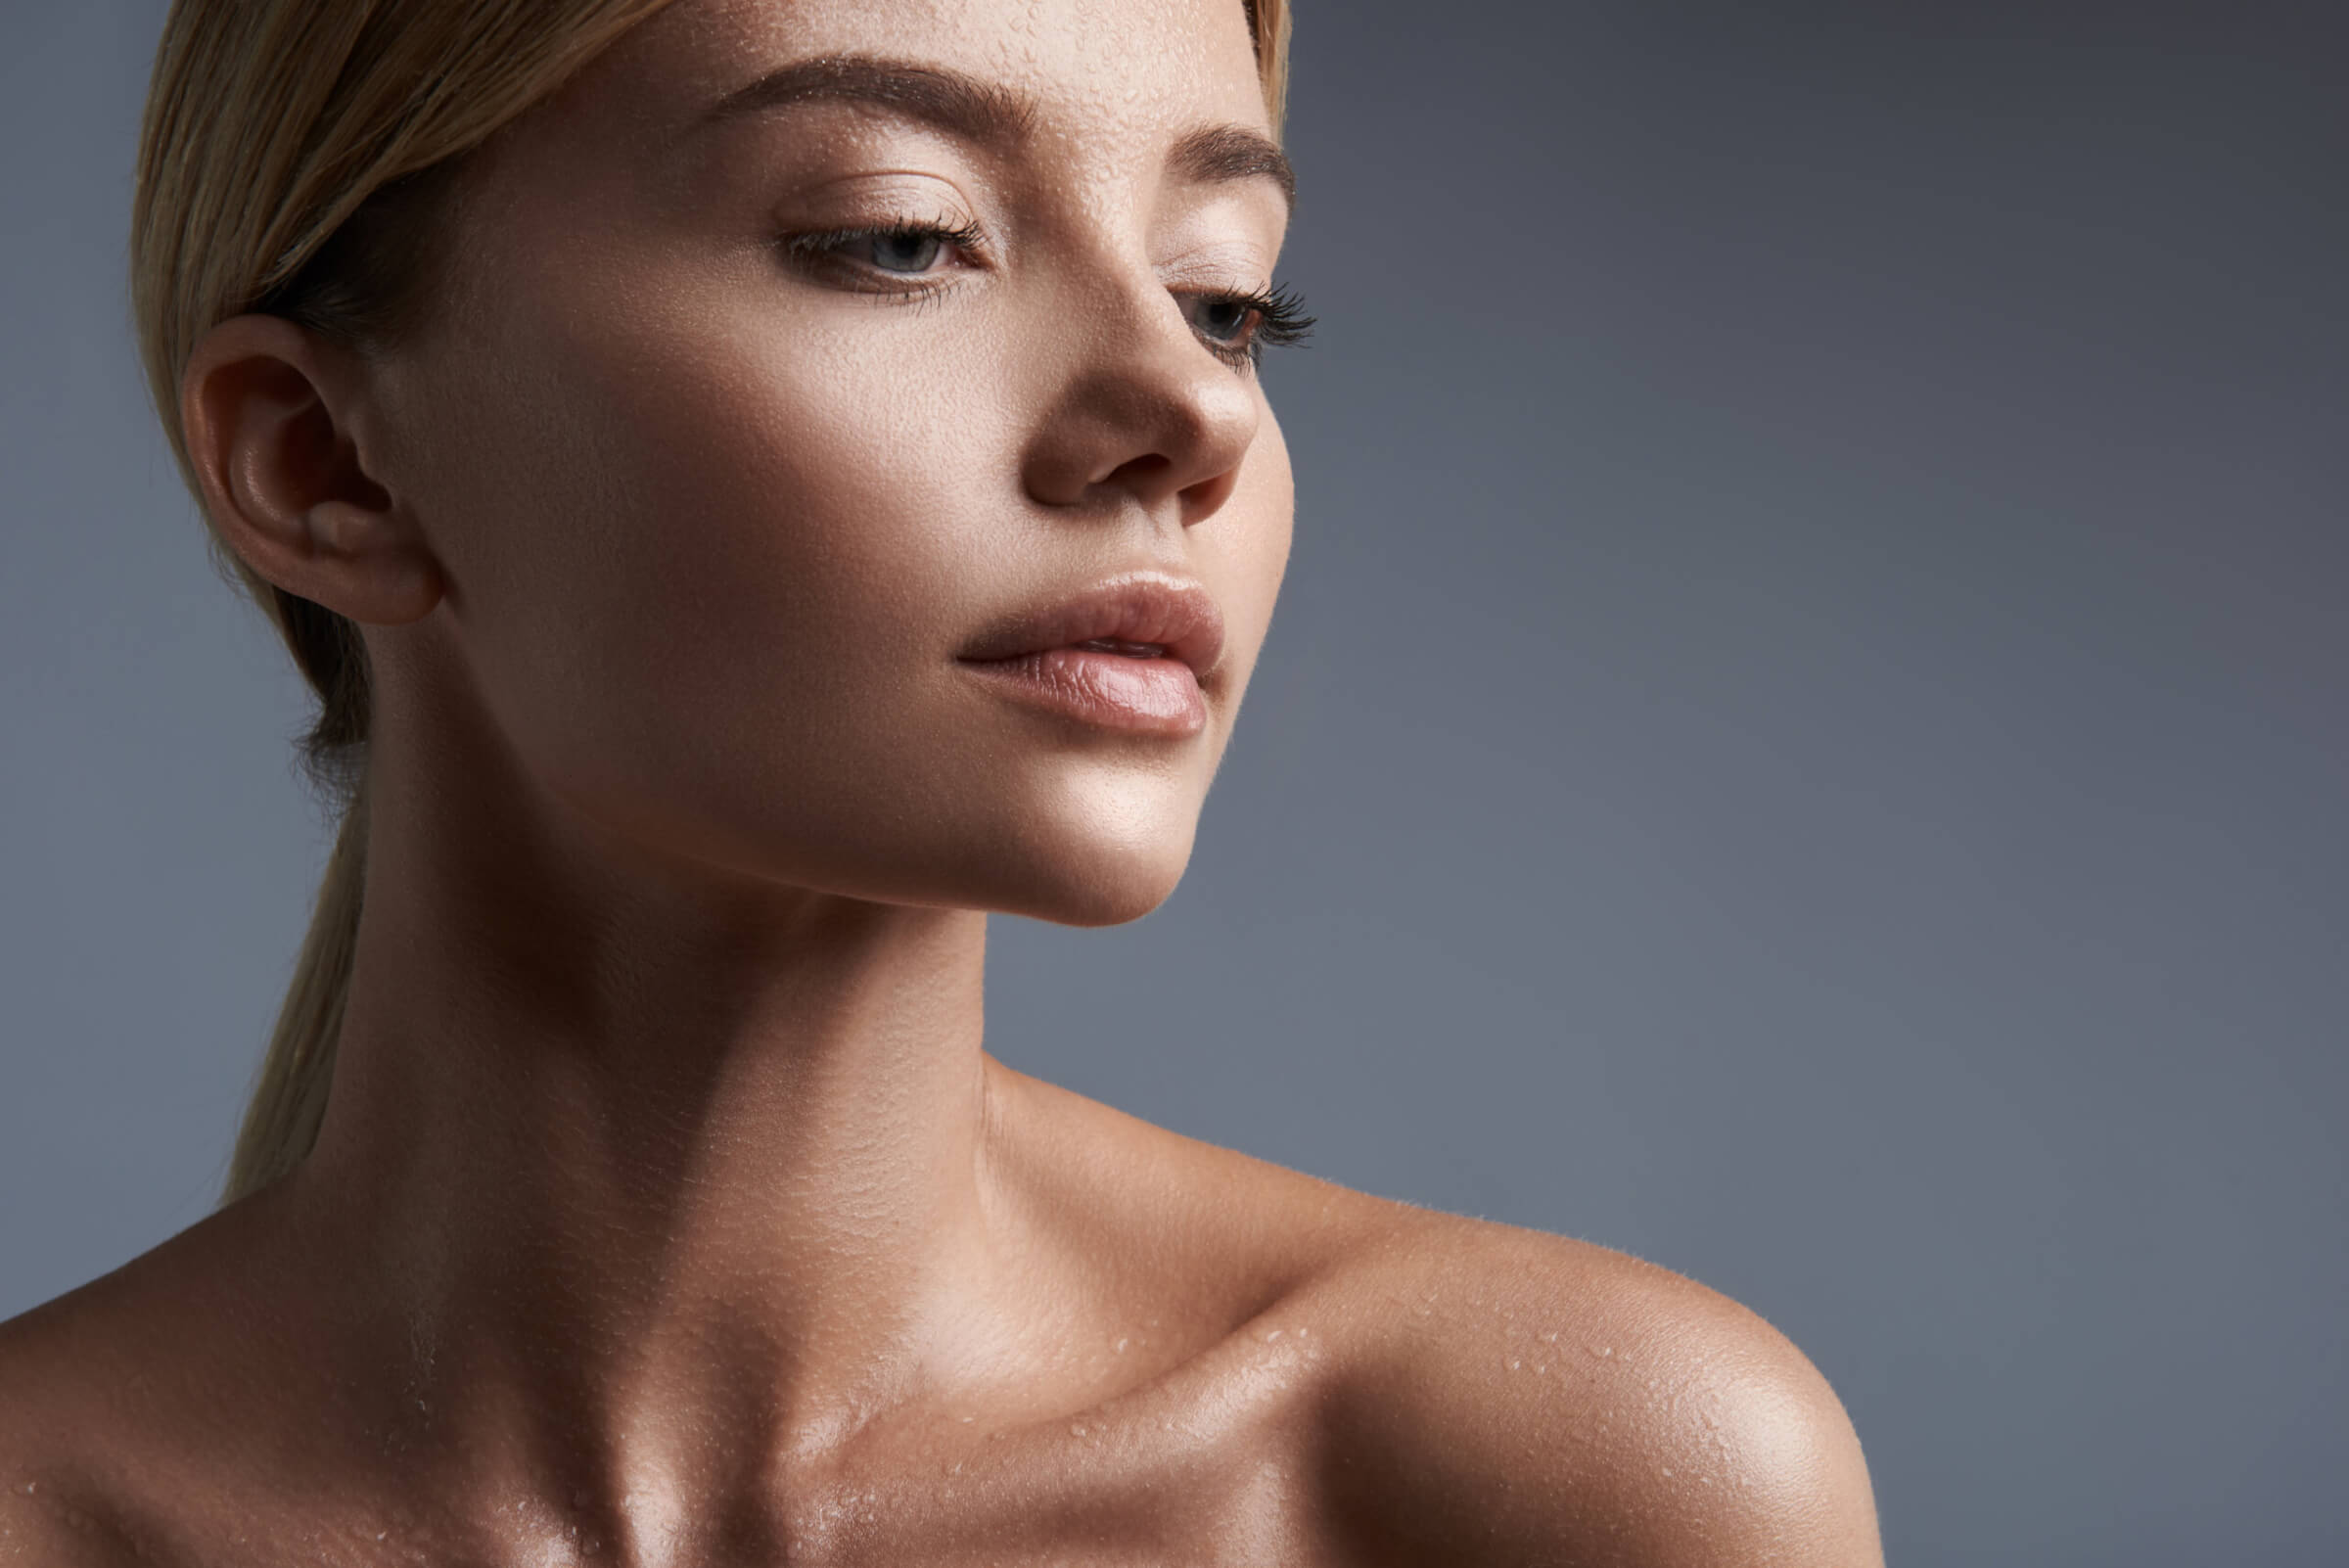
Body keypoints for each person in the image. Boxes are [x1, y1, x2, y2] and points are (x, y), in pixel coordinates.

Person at [0, 0, 1883, 1560]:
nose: (1196, 407)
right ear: (323, 459)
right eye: (900, 237)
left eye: (1228, 296)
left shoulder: (1578, 1486)